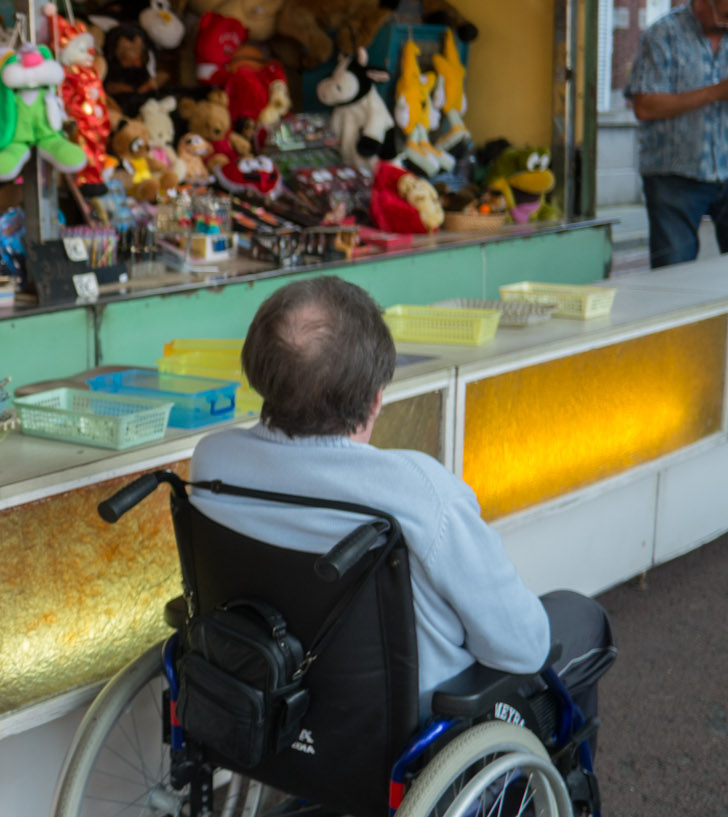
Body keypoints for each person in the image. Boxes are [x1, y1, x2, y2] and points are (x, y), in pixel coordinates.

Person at [189, 277, 616, 724]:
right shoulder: (417, 491)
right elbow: (522, 648)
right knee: (583, 620)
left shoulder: (213, 461)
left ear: (258, 374)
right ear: (376, 400)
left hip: (275, 700)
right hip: (408, 725)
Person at [626, 0, 728, 268]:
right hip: (674, 175)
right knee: (674, 274)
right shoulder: (662, 34)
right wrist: (715, 92)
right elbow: (645, 106)